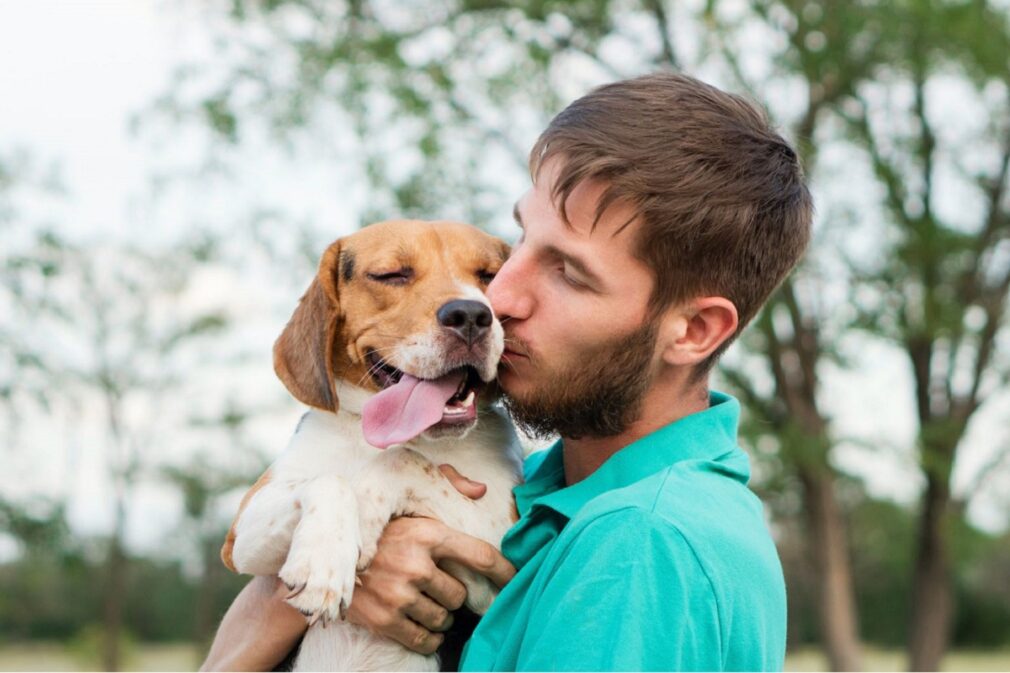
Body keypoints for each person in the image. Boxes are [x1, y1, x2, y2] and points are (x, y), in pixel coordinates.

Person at [202, 72, 812, 671]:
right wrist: (357, 561)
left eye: (568, 272)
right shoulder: (552, 486)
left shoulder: (639, 545)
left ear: (694, 331)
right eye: (519, 244)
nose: (501, 299)